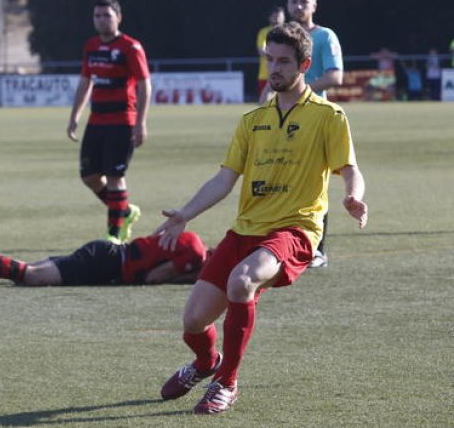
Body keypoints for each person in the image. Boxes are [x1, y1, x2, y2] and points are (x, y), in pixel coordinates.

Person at [154, 21, 367, 416]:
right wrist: (184, 213)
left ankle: (227, 382)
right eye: (270, 60)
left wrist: (354, 196)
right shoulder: (252, 121)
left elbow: (350, 168)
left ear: (305, 65)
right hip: (245, 230)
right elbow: (223, 180)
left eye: (284, 61)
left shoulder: (329, 116)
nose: (275, 69)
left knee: (243, 280)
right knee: (193, 321)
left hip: (295, 229)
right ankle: (206, 363)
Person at [66, 0, 151, 243]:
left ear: (118, 18)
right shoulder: (91, 46)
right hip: (96, 120)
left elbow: (145, 84)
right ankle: (123, 210)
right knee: (89, 176)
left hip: (122, 121)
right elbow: (85, 82)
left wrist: (140, 122)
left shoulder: (130, 47)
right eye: (97, 15)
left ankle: (114, 236)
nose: (102, 20)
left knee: (114, 177)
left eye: (107, 15)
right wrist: (74, 116)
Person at [0, 230, 208, 289]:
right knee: (30, 275)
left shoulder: (193, 240)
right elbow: (155, 278)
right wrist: (190, 278)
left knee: (30, 275)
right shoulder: (195, 256)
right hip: (106, 263)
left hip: (107, 254)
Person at [286, 0, 344, 268]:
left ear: (314, 5)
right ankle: (285, 243)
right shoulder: (283, 36)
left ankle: (317, 249)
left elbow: (335, 76)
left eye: (304, 2)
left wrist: (303, 89)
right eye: (294, 1)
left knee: (314, 182)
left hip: (314, 116)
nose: (299, 6)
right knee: (283, 179)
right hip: (282, 117)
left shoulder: (324, 37)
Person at [255, 7, 285, 102]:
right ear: (270, 18)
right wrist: (279, 57)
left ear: (283, 17)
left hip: (285, 74)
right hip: (265, 74)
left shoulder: (289, 32)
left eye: (279, 16)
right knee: (264, 106)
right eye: (274, 16)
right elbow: (261, 50)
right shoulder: (264, 32)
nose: (276, 19)